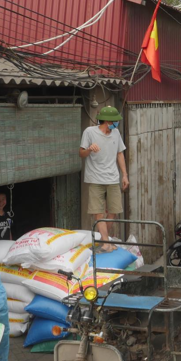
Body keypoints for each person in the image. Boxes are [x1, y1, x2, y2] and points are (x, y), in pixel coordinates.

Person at [79, 106, 129, 252]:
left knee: (114, 210)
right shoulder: (89, 132)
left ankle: (103, 238)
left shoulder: (116, 133)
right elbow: (81, 153)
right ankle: (106, 242)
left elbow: (120, 154)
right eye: (115, 121)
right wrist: (89, 149)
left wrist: (124, 175)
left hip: (113, 178)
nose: (116, 124)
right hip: (95, 178)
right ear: (108, 121)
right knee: (98, 212)